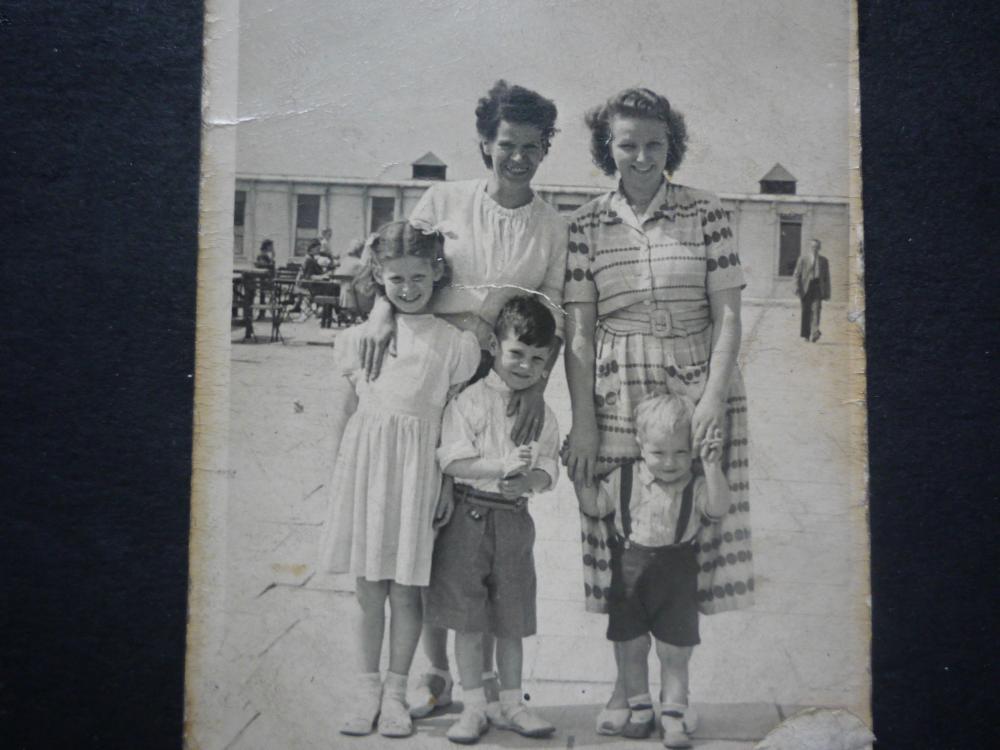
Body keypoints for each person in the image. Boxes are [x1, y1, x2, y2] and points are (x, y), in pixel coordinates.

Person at [354, 80, 567, 722]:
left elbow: (553, 311)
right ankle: (439, 675)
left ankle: (499, 690)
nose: (519, 157)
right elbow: (393, 261)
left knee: (485, 535)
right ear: (485, 141)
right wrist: (380, 315)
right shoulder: (443, 198)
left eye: (533, 146)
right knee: (430, 527)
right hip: (429, 380)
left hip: (499, 383)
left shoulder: (552, 223)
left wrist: (538, 388)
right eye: (507, 144)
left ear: (544, 148)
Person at [561, 87, 754, 737]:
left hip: (697, 384)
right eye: (626, 144)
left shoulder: (709, 213)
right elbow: (580, 333)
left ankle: (675, 694)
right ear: (606, 149)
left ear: (671, 144)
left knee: (687, 540)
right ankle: (626, 686)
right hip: (617, 396)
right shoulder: (585, 224)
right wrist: (583, 421)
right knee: (622, 541)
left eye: (654, 143)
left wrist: (712, 401)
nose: (641, 156)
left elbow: (729, 315)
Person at [318, 221, 481, 739]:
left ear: (437, 272)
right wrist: (335, 478)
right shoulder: (361, 339)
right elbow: (344, 414)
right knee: (369, 589)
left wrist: (449, 485)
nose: (407, 288)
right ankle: (366, 689)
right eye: (395, 279)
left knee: (407, 591)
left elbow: (455, 421)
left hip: (419, 477)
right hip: (367, 473)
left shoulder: (456, 344)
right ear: (378, 277)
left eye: (417, 276)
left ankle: (395, 692)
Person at [424, 295, 560, 743]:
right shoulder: (469, 402)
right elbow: (452, 461)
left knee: (511, 618)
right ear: (496, 346)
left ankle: (511, 703)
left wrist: (529, 482)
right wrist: (500, 468)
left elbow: (547, 471)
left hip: (514, 525)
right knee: (467, 618)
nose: (524, 365)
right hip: (468, 518)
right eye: (516, 353)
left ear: (546, 365)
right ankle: (473, 706)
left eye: (536, 359)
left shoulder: (544, 414)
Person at [576, 393, 727, 747]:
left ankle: (673, 715)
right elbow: (596, 506)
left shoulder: (697, 484)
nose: (671, 462)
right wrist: (579, 474)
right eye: (659, 452)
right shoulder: (623, 478)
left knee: (675, 650)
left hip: (677, 575)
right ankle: (640, 708)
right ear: (640, 444)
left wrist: (711, 466)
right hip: (630, 572)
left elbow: (718, 508)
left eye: (680, 452)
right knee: (631, 646)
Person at [792, 238, 831, 342]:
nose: (815, 248)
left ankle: (815, 332)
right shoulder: (803, 259)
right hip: (805, 287)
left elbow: (827, 278)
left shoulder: (824, 260)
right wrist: (796, 287)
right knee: (806, 311)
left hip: (817, 286)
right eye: (813, 246)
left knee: (817, 309)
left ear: (820, 248)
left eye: (817, 247)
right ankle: (806, 335)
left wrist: (827, 292)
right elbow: (797, 274)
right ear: (810, 247)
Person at [253, 239, 276, 320]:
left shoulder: (264, 255)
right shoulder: (262, 255)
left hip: (265, 280)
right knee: (269, 295)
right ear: (268, 246)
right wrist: (272, 259)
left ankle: (262, 313)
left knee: (264, 297)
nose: (273, 248)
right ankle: (262, 313)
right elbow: (266, 266)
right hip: (265, 280)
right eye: (271, 246)